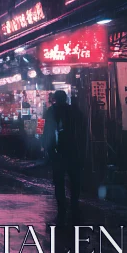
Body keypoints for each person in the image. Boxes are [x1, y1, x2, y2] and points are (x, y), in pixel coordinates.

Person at [42, 90, 86, 225]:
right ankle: (74, 205)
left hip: (58, 151)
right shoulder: (75, 111)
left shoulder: (52, 111)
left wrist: (48, 149)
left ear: (55, 98)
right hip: (73, 150)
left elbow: (48, 130)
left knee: (59, 182)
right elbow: (82, 131)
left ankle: (62, 208)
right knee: (75, 181)